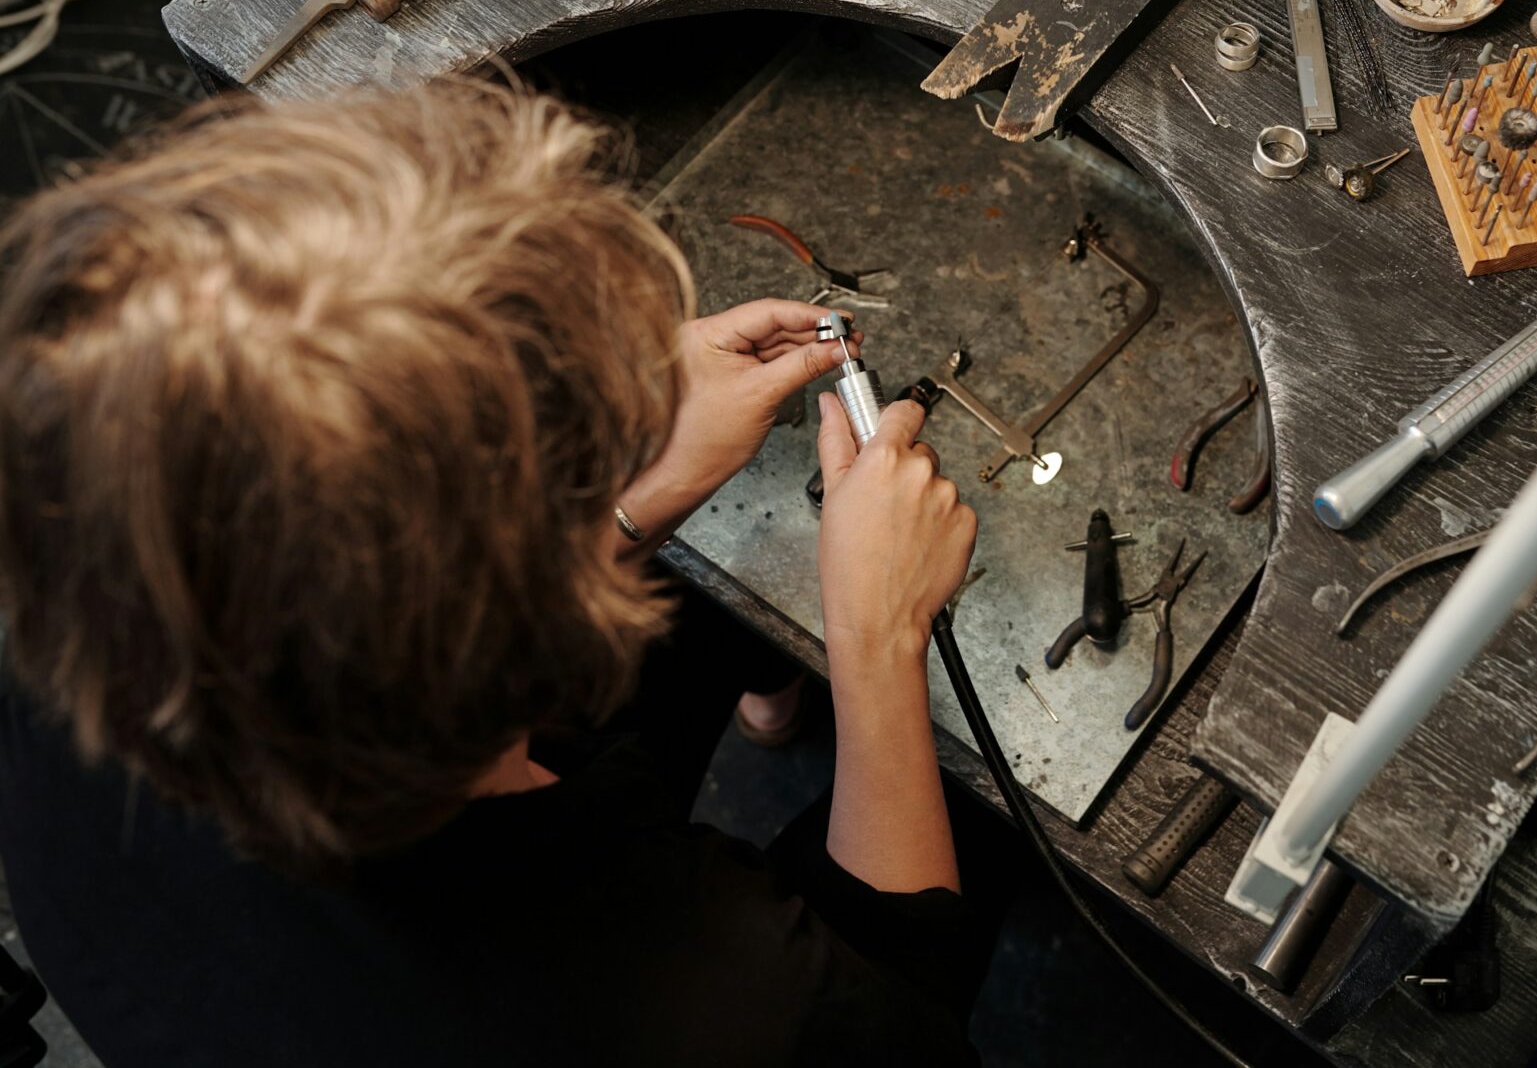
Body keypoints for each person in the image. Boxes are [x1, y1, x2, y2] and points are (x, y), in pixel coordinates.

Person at [0, 80, 987, 1065]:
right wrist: (876, 637)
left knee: (702, 619)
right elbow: (906, 1014)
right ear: (541, 636)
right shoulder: (709, 1009)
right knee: (987, 823)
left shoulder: (91, 578)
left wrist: (632, 483)